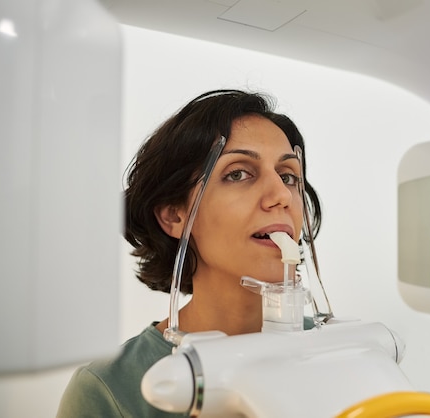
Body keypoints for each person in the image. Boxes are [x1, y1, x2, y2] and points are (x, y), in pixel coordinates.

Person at [57, 89, 322, 417]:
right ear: (173, 215)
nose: (281, 195)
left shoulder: (338, 353)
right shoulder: (110, 389)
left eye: (288, 176)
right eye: (238, 173)